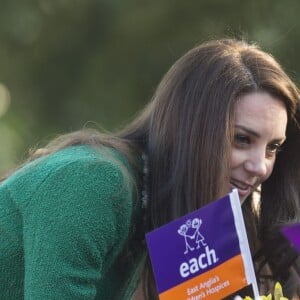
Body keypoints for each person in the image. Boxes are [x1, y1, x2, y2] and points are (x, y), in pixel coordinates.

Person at [1, 38, 300, 299]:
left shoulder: (177, 212)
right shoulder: (94, 182)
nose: (260, 166)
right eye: (241, 139)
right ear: (189, 132)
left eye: (273, 147)